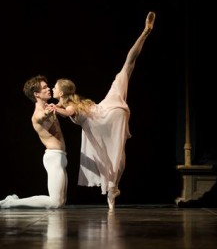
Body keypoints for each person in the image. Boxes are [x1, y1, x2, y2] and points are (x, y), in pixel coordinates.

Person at [47, 11, 155, 209]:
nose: (53, 88)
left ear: (61, 91)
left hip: (106, 116)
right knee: (127, 67)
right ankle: (145, 33)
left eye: (55, 86)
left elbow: (69, 112)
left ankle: (113, 187)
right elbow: (70, 110)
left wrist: (56, 109)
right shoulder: (74, 102)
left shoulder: (69, 104)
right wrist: (56, 109)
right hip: (112, 107)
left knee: (112, 156)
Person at [0, 75, 68, 209]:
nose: (48, 88)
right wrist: (48, 112)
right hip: (54, 158)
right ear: (36, 94)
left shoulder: (51, 107)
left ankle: (11, 201)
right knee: (55, 202)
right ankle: (11, 203)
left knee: (60, 202)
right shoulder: (38, 114)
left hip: (61, 157)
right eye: (44, 88)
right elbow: (42, 117)